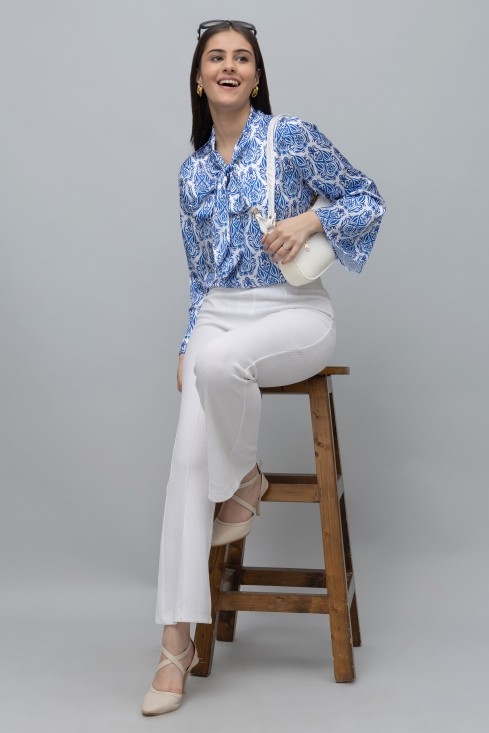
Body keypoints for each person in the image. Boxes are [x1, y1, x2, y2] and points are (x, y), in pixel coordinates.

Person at [141, 19, 386, 716]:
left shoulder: (291, 137)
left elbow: (366, 197)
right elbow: (198, 277)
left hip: (295, 311)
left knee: (220, 366)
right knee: (187, 462)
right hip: (219, 314)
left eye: (242, 58)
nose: (229, 66)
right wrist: (186, 342)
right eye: (215, 57)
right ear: (199, 79)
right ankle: (174, 646)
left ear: (255, 76)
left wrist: (310, 222)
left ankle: (245, 479)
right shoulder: (191, 173)